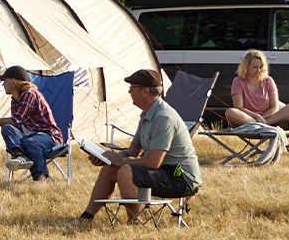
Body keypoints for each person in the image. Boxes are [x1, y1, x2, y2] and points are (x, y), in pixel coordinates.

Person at [77, 68, 201, 224]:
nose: (129, 91)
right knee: (110, 168)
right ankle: (88, 216)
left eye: (133, 88)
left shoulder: (163, 117)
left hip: (180, 177)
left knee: (126, 170)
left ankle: (135, 221)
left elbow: (153, 162)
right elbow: (133, 151)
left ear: (145, 91)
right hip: (164, 170)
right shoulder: (147, 114)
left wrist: (121, 161)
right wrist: (106, 158)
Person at [0, 65, 62, 181]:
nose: (3, 84)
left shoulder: (30, 94)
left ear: (13, 81)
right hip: (29, 136)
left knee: (30, 142)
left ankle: (42, 178)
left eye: (4, 81)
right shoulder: (15, 99)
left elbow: (16, 120)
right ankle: (20, 156)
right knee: (7, 128)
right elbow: (15, 124)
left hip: (49, 136)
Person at [225, 50, 289, 129]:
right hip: (249, 118)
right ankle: (258, 125)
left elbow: (274, 107)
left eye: (261, 67)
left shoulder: (268, 80)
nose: (258, 70)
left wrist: (263, 118)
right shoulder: (238, 81)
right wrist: (256, 116)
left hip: (268, 118)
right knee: (230, 112)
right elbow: (239, 107)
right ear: (246, 67)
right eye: (255, 67)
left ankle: (262, 125)